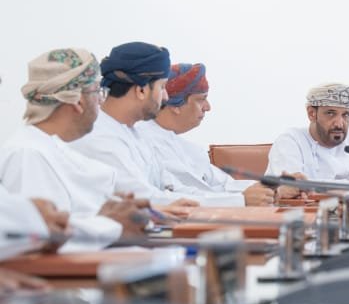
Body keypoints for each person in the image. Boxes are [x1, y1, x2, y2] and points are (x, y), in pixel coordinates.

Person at [0, 49, 151, 244]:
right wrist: (111, 225)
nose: (101, 101)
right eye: (97, 92)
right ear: (78, 100)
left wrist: (114, 207)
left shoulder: (50, 146)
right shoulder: (27, 154)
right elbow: (44, 241)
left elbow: (74, 217)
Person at [70, 42, 209, 211]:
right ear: (141, 90)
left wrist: (233, 200)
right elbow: (143, 199)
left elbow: (171, 188)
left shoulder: (135, 133)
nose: (166, 97)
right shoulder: (100, 138)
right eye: (162, 87)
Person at [136, 63, 274, 206]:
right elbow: (177, 195)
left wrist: (270, 188)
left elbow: (223, 184)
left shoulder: (187, 147)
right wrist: (239, 200)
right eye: (201, 99)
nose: (208, 107)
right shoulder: (143, 142)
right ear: (176, 106)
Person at [266, 83, 349, 198]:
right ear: (312, 113)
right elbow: (294, 189)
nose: (339, 124)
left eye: (345, 115)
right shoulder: (290, 140)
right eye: (330, 113)